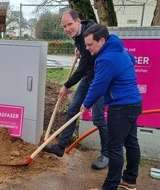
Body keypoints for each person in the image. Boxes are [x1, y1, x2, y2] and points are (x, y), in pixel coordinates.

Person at [43, 9, 109, 170]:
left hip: (98, 80)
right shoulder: (79, 34)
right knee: (73, 109)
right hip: (88, 78)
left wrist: (66, 85)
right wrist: (79, 48)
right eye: (64, 26)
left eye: (70, 24)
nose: (67, 29)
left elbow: (82, 67)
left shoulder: (89, 31)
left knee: (99, 118)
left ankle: (107, 154)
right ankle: (61, 147)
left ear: (78, 21)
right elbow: (84, 56)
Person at [81, 24, 142, 190]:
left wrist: (85, 104)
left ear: (101, 40)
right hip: (134, 103)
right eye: (85, 45)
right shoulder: (118, 49)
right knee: (131, 142)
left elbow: (98, 86)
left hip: (121, 107)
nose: (86, 48)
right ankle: (129, 180)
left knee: (114, 148)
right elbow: (132, 60)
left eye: (89, 44)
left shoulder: (106, 58)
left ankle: (110, 186)